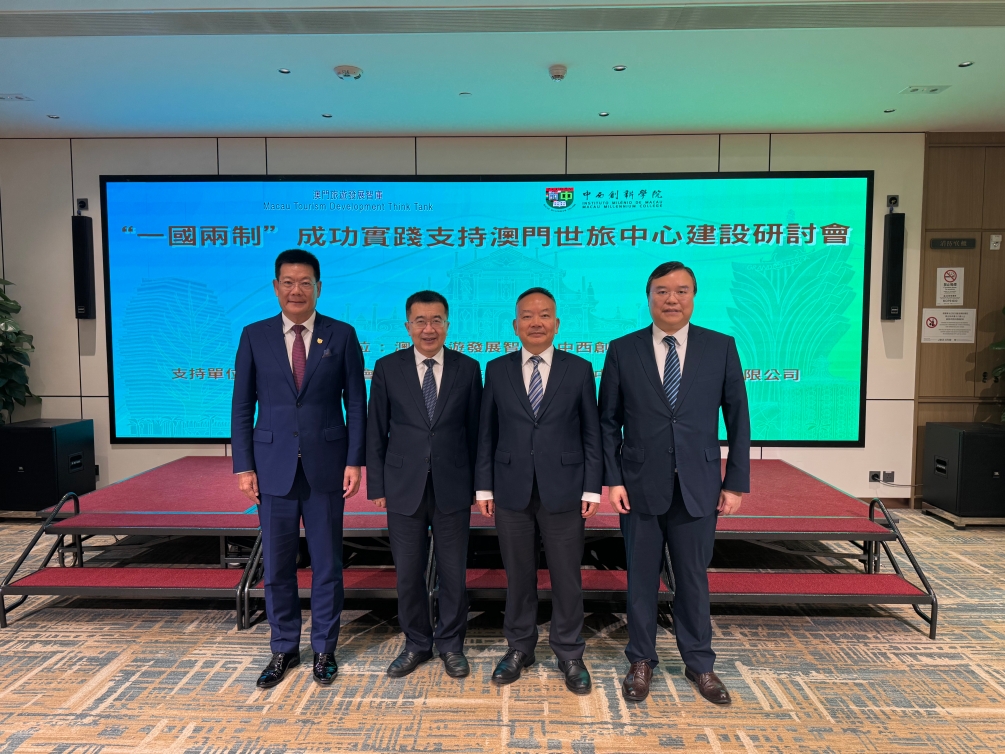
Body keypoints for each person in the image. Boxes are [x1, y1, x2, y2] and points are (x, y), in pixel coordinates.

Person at [599, 261, 750, 704]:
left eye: (681, 291)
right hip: (640, 485)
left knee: (693, 579)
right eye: (662, 291)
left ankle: (700, 663)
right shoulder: (622, 349)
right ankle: (640, 660)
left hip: (699, 485)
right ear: (648, 297)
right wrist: (613, 479)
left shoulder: (720, 346)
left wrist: (735, 482)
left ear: (693, 297)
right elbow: (608, 421)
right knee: (641, 579)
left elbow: (738, 418)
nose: (672, 299)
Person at [232, 249, 367, 689]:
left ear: (318, 287)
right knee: (277, 567)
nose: (296, 290)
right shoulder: (254, 335)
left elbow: (356, 404)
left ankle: (325, 648)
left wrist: (354, 460)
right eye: (288, 282)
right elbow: (242, 406)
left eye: (305, 282)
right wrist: (244, 466)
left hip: (327, 466)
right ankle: (283, 648)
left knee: (327, 565)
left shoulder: (341, 334)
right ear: (276, 287)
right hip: (272, 467)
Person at [475, 287, 602, 695]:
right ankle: (519, 648)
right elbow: (486, 433)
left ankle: (569, 652)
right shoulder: (496, 369)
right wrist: (483, 486)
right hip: (510, 489)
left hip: (565, 489)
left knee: (567, 576)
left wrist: (592, 488)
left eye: (544, 315)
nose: (536, 322)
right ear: (515, 325)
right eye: (527, 316)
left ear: (557, 324)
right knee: (518, 575)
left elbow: (592, 433)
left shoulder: (578, 369)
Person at [366, 291, 482, 679]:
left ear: (447, 324)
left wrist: (479, 485)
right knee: (408, 573)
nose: (428, 328)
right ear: (408, 326)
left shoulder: (468, 368)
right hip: (403, 485)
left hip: (453, 484)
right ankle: (416, 642)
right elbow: (375, 429)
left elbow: (476, 433)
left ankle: (451, 644)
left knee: (453, 573)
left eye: (436, 320)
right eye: (420, 321)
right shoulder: (387, 367)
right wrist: (377, 485)